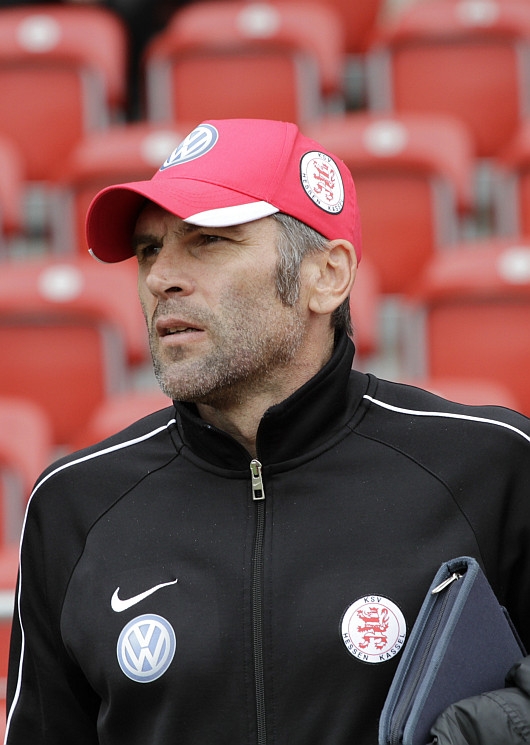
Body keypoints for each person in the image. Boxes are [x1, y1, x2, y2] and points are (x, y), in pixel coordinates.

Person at [5, 118, 530, 745]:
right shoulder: (74, 504)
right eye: (149, 250)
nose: (160, 278)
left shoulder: (493, 466)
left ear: (326, 276)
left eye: (208, 241)